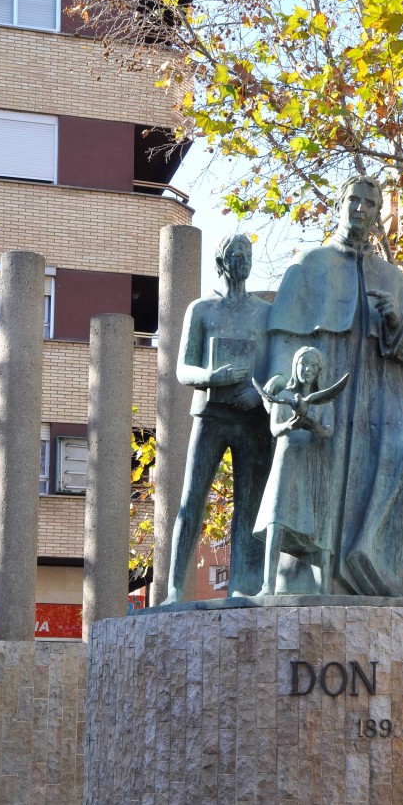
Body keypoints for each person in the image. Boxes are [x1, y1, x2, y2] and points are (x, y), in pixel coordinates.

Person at [266, 175, 403, 596]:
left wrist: (398, 321)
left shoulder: (391, 276)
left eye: (369, 204)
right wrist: (285, 391)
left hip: (380, 392)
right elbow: (284, 339)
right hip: (323, 388)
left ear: (377, 216)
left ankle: (375, 561)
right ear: (338, 205)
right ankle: (315, 577)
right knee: (323, 466)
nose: (359, 209)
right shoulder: (312, 265)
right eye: (353, 200)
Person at [163, 234, 272, 603]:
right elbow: (182, 369)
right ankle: (175, 590)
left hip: (252, 418)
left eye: (248, 255)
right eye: (236, 256)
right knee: (191, 499)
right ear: (222, 262)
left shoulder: (265, 312)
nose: (243, 261)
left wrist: (257, 394)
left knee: (251, 506)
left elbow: (276, 368)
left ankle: (245, 585)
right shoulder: (201, 309)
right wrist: (211, 378)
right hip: (211, 414)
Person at [253, 346, 347, 595]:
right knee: (276, 518)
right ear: (296, 366)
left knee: (320, 524)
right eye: (304, 364)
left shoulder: (324, 400)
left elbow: (328, 430)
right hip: (287, 460)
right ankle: (267, 586)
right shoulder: (284, 396)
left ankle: (324, 589)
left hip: (313, 462)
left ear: (319, 372)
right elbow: (274, 429)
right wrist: (290, 425)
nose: (308, 370)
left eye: (314, 367)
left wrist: (314, 425)